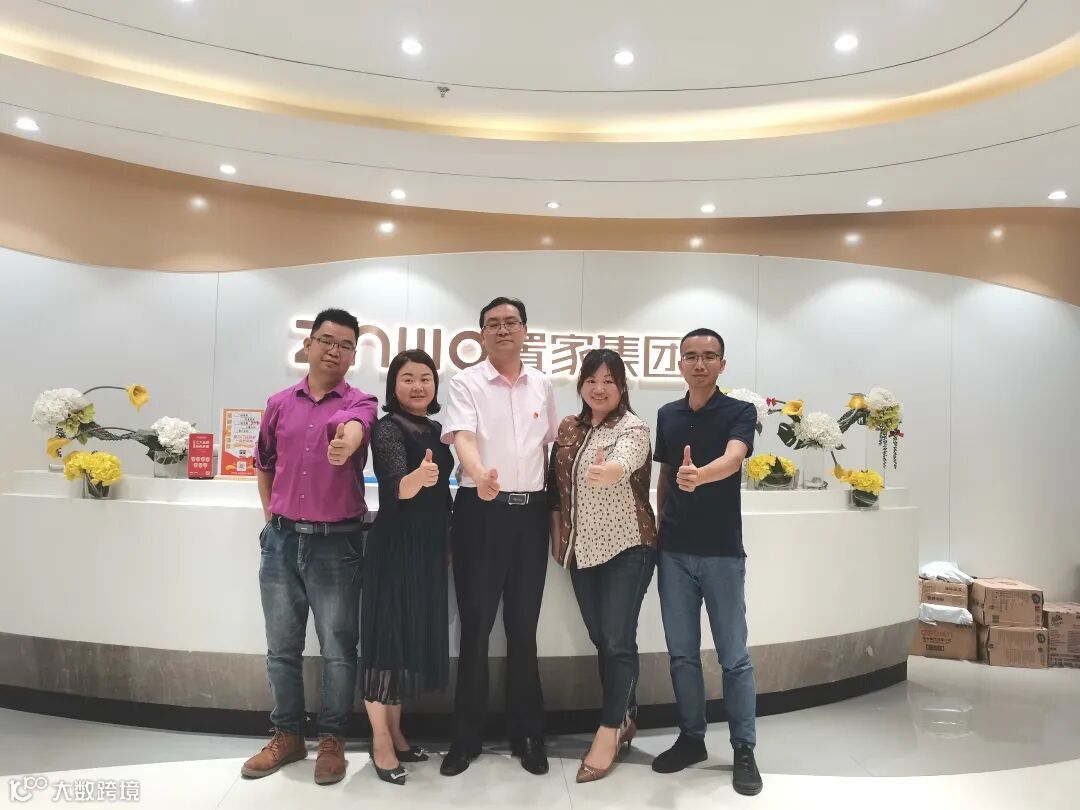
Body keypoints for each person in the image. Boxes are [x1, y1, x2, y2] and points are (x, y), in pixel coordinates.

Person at [241, 308, 377, 786]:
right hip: (280, 542)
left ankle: (333, 739)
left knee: (339, 648)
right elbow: (264, 464)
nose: (334, 350)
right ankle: (287, 735)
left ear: (354, 355)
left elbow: (355, 426)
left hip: (335, 546)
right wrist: (271, 520)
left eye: (345, 345)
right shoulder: (279, 403)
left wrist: (344, 443)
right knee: (281, 647)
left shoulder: (361, 402)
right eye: (326, 340)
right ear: (309, 344)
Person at [439, 296, 559, 777]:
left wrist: (553, 517)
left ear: (525, 330)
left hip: (530, 515)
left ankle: (527, 734)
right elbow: (463, 437)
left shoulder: (543, 384)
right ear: (482, 334)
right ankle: (465, 738)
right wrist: (478, 474)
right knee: (476, 627)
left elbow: (545, 451)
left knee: (524, 628)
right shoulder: (465, 382)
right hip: (480, 511)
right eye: (493, 324)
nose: (503, 329)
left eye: (511, 322)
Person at [651, 328, 763, 797]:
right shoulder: (667, 414)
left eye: (709, 356)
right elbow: (664, 476)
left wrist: (700, 475)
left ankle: (743, 749)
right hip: (673, 552)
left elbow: (735, 459)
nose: (699, 364)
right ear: (680, 363)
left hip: (721, 553)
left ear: (722, 363)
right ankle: (692, 738)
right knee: (682, 654)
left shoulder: (740, 412)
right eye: (691, 356)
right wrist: (659, 531)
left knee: (733, 657)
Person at [546, 349, 656, 783]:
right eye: (592, 379)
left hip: (629, 548)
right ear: (580, 385)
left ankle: (609, 731)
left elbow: (624, 461)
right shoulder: (568, 428)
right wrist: (558, 532)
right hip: (581, 551)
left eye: (609, 380)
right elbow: (554, 488)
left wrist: (609, 470)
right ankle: (625, 714)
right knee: (603, 639)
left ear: (622, 386)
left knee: (616, 640)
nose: (599, 388)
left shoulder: (633, 428)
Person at [359, 350, 454, 786]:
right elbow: (395, 484)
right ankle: (380, 740)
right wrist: (417, 479)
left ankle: (397, 733)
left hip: (428, 547)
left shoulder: (435, 429)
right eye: (408, 378)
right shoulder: (387, 428)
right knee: (385, 643)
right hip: (396, 547)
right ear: (393, 386)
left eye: (425, 378)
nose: (418, 386)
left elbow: (442, 492)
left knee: (405, 643)